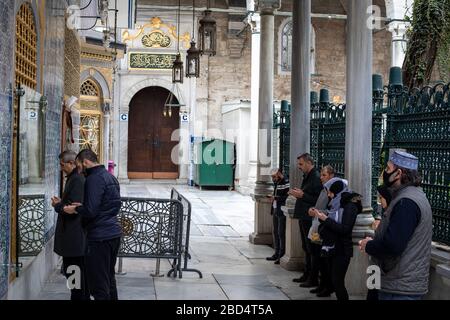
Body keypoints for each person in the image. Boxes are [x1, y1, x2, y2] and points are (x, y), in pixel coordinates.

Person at [359, 150, 432, 300]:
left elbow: (393, 246)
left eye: (387, 169)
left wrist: (368, 245)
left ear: (398, 173)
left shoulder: (407, 202)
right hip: (397, 283)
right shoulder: (408, 196)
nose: (383, 173)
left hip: (399, 288)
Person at [63, 149, 122, 300]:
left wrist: (75, 209)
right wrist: (82, 206)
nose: (79, 170)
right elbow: (111, 205)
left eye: (79, 165)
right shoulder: (110, 177)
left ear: (85, 162)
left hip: (99, 238)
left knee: (98, 286)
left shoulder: (93, 179)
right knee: (109, 280)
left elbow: (91, 211)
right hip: (113, 233)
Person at [311, 179, 362, 301]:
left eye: (330, 193)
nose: (328, 195)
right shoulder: (336, 204)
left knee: (337, 282)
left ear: (337, 192)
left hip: (342, 249)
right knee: (334, 281)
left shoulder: (350, 205)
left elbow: (345, 229)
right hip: (332, 246)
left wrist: (325, 219)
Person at [51, 150, 89, 300]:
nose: (61, 168)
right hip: (73, 239)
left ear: (71, 163)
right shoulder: (74, 178)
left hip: (74, 239)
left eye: (62, 165)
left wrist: (58, 205)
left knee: (74, 273)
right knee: (75, 274)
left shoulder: (77, 180)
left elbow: (74, 209)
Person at [289, 153, 322, 286]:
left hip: (311, 220)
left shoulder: (315, 177)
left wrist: (302, 195)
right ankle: (307, 274)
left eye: (301, 164)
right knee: (306, 247)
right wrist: (300, 193)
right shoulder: (308, 176)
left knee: (312, 248)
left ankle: (313, 278)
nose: (299, 167)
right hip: (304, 217)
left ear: (309, 163)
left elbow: (318, 200)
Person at [307, 166, 336, 297]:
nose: (321, 177)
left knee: (324, 259)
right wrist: (313, 209)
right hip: (317, 225)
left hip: (325, 228)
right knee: (316, 254)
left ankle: (327, 286)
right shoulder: (324, 188)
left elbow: (332, 211)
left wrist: (317, 212)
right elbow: (320, 206)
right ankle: (321, 284)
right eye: (322, 175)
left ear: (331, 175)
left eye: (324, 175)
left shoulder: (333, 190)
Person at [366, 184, 392, 301]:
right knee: (372, 294)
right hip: (375, 267)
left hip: (382, 268)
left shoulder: (392, 215)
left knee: (374, 295)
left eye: (381, 198)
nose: (380, 201)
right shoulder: (386, 213)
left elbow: (388, 242)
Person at [266, 168, 290, 264]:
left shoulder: (286, 182)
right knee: (275, 232)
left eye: (274, 176)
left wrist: (275, 198)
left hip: (281, 209)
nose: (273, 179)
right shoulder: (277, 182)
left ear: (279, 173)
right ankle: (276, 253)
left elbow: (287, 197)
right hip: (276, 208)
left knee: (281, 233)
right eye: (272, 177)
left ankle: (281, 254)